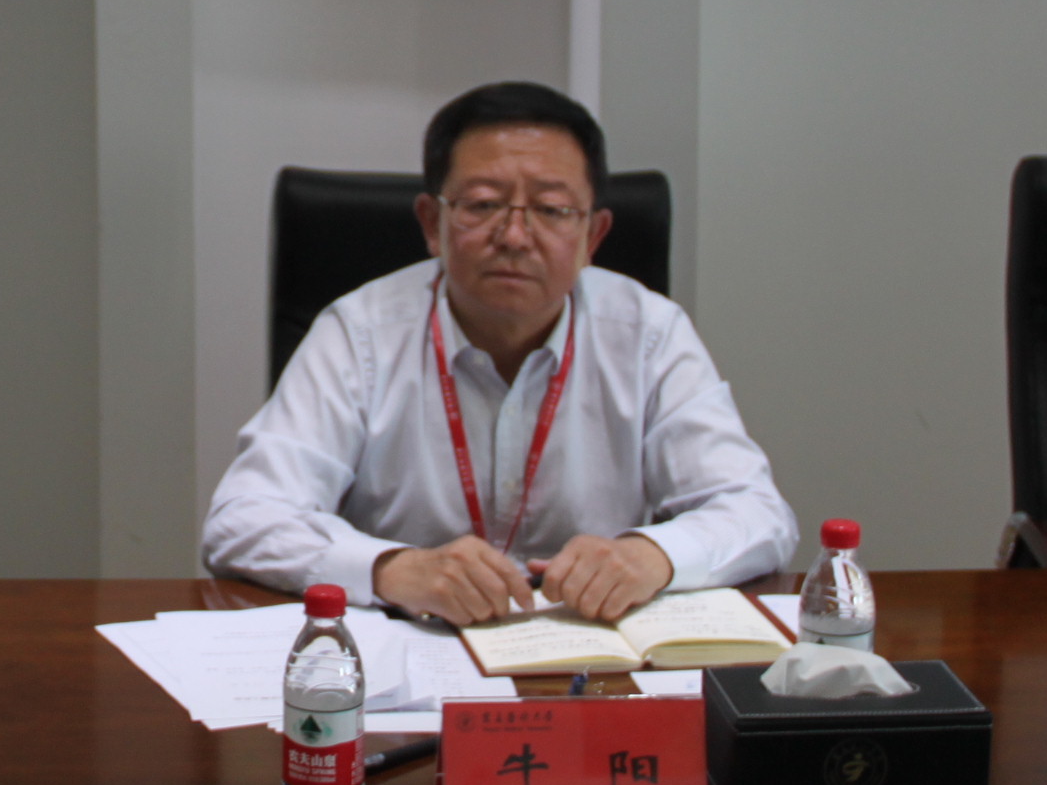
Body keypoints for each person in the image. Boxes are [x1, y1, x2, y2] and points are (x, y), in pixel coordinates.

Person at [203, 82, 797, 623]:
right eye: (483, 204)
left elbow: (757, 512)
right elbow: (244, 519)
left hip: (589, 653)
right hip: (407, 647)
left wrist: (653, 555)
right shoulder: (359, 333)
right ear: (432, 223)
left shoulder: (649, 333)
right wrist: (391, 569)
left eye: (551, 210)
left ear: (592, 236)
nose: (514, 237)